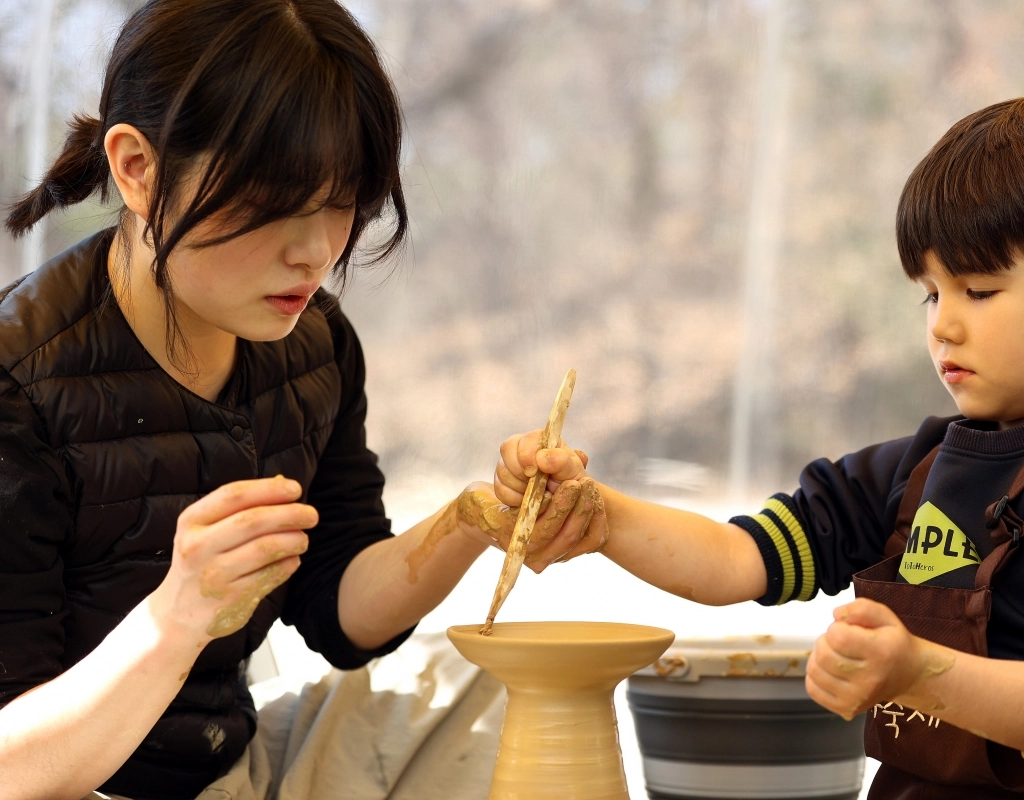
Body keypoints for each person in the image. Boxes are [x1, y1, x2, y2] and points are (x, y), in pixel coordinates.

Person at [495, 95, 1024, 798]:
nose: (944, 326)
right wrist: (601, 516)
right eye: (931, 294)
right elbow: (733, 561)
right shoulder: (915, 470)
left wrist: (920, 671)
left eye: (979, 290)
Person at [0, 2, 601, 799]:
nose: (315, 252)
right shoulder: (20, 382)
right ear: (137, 169)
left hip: (232, 768)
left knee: (491, 689)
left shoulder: (313, 345)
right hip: (69, 780)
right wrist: (176, 616)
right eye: (274, 205)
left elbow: (341, 610)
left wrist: (471, 521)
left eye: (342, 202)